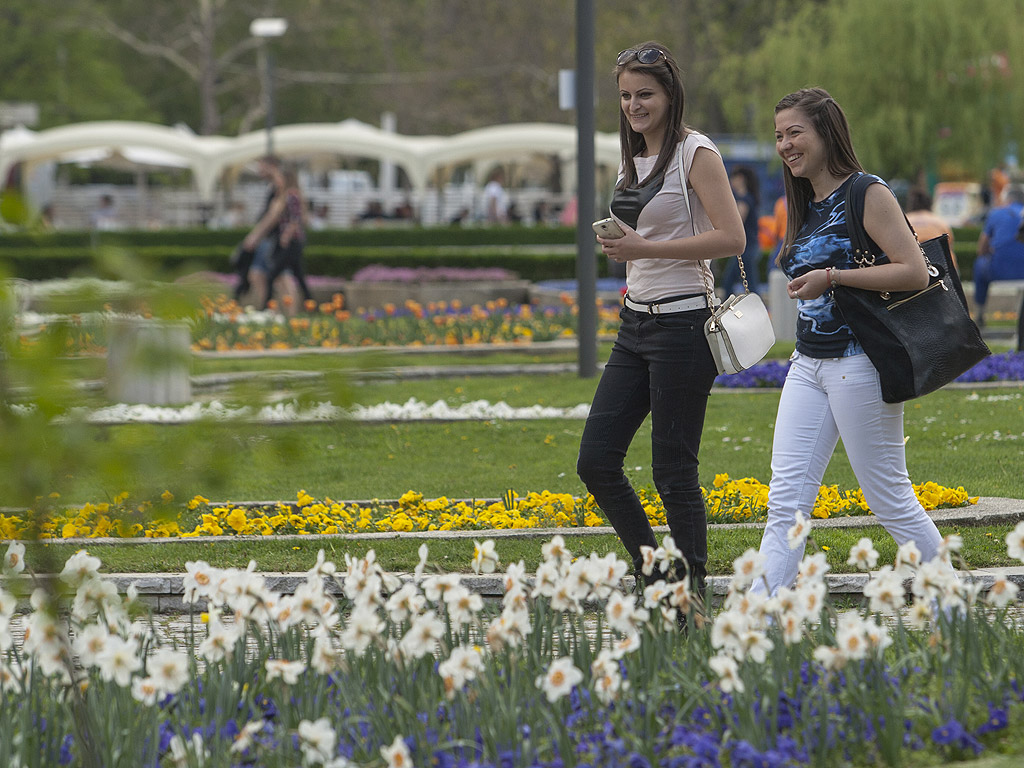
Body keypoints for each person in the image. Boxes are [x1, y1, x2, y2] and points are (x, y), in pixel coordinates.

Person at [752, 87, 954, 595]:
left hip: (860, 361)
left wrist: (834, 277)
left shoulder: (867, 192)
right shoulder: (805, 201)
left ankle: (952, 605)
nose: (785, 144)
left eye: (795, 132)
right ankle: (756, 622)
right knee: (786, 503)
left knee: (888, 497)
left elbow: (914, 271)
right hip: (808, 363)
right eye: (778, 135)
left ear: (826, 132)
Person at [577, 42, 745, 596]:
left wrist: (645, 249)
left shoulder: (696, 153)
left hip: (682, 326)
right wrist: (626, 247)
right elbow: (645, 241)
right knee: (597, 461)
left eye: (645, 94)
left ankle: (692, 594)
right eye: (625, 95)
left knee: (673, 473)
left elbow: (731, 237)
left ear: (671, 95)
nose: (633, 104)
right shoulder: (634, 156)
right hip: (635, 324)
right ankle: (657, 569)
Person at [260, 165, 313, 311]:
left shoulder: (292, 195)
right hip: (293, 241)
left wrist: (286, 236)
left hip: (292, 241)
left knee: (272, 275)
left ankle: (266, 308)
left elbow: (295, 219)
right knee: (299, 277)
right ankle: (312, 305)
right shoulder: (288, 195)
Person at [973, 184, 1024, 328]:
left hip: (1000, 270)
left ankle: (980, 313)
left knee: (979, 264)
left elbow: (981, 249)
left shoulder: (996, 214)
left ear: (1007, 199)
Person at [234, 157, 283, 302]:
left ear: (272, 166)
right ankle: (271, 312)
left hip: (272, 238)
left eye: (262, 166)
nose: (259, 170)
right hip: (269, 237)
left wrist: (256, 235)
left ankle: (272, 312)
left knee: (262, 275)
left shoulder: (279, 186)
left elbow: (273, 215)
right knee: (259, 275)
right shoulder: (274, 185)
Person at [721, 166, 762, 295]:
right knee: (744, 283)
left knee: (743, 283)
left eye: (733, 178)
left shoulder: (744, 199)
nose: (731, 181)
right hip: (748, 247)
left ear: (741, 179)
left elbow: (737, 221)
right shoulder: (746, 198)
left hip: (746, 248)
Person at [905, 188, 958, 271]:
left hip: (915, 267)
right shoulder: (939, 221)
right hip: (943, 266)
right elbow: (950, 244)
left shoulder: (905, 221)